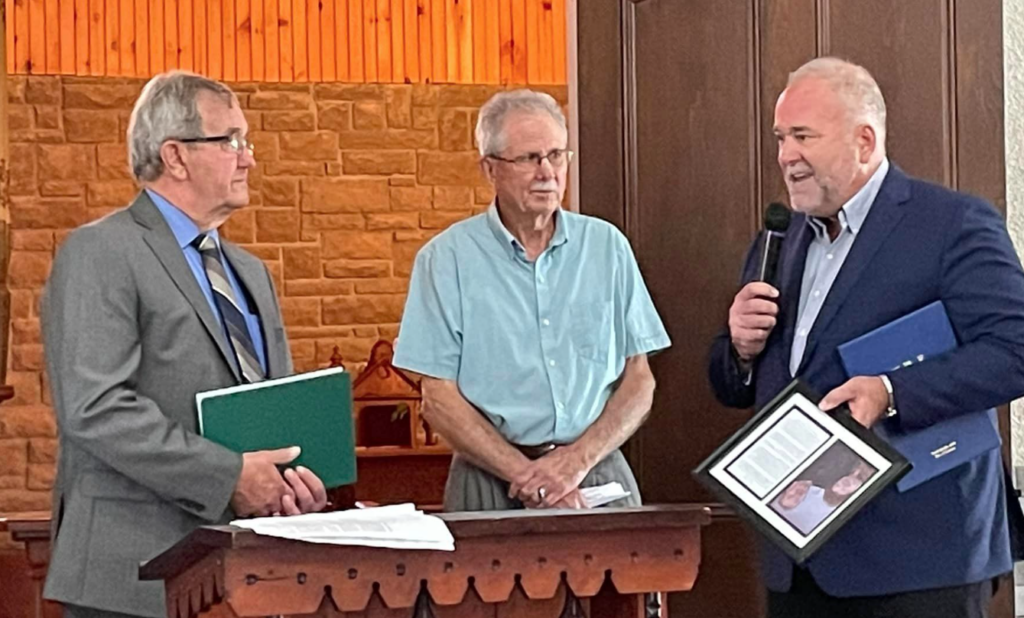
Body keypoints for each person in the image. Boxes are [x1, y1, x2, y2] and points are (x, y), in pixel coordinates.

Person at [708, 57, 1024, 617]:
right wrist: (739, 347)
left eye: (803, 136)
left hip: (921, 558)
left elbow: (1015, 350)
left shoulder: (951, 224)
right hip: (799, 557)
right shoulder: (776, 242)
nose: (785, 155)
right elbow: (737, 384)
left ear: (864, 139)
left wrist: (893, 392)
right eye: (781, 138)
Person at [41, 71, 328, 618]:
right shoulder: (101, 252)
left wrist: (293, 480)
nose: (248, 158)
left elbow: (270, 407)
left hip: (241, 572)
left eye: (246, 141)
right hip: (133, 573)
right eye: (232, 141)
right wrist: (230, 478)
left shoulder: (250, 271)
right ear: (175, 156)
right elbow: (95, 408)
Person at [393, 89, 670, 511]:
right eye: (528, 159)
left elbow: (639, 378)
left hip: (594, 471)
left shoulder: (606, 246)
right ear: (490, 169)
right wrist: (529, 478)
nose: (547, 172)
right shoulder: (445, 259)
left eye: (556, 156)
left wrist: (573, 463)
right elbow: (438, 397)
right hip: (489, 478)